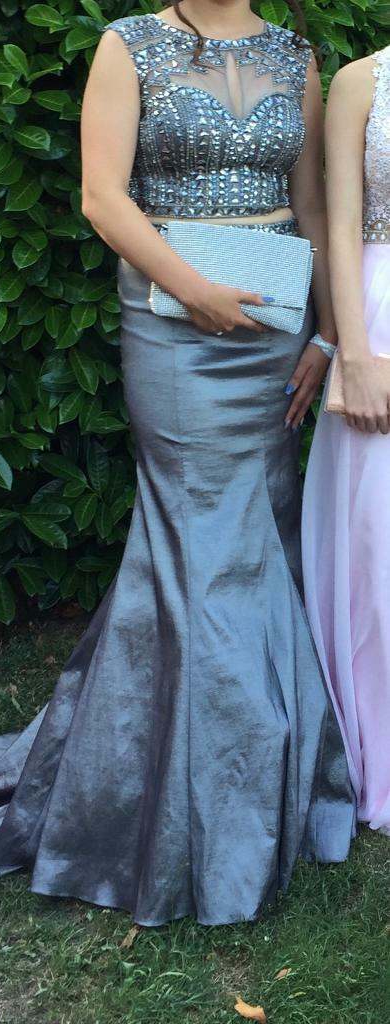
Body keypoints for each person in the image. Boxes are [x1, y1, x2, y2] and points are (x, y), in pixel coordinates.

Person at [0, 1, 355, 927]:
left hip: (274, 328)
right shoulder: (126, 44)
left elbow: (308, 207)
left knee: (255, 539)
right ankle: (201, 808)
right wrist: (192, 289)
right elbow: (103, 197)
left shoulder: (293, 54)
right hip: (174, 328)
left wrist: (326, 337)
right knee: (200, 547)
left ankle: (259, 778)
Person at [302, 46, 390, 836]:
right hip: (377, 318)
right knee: (373, 536)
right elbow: (337, 225)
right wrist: (353, 355)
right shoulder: (362, 81)